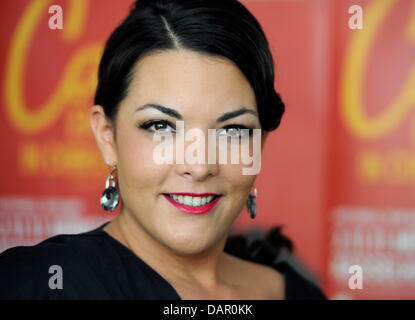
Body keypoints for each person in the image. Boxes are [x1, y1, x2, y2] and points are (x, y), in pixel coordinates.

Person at [0, 0, 327, 300]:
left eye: (232, 130)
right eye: (161, 126)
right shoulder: (38, 284)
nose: (198, 166)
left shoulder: (296, 295)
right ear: (106, 135)